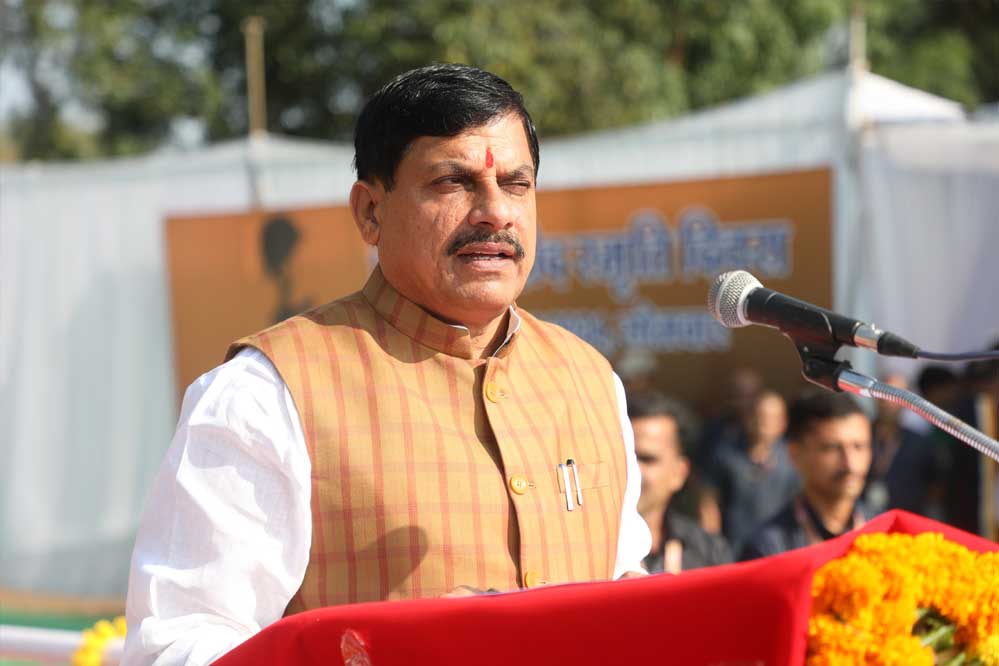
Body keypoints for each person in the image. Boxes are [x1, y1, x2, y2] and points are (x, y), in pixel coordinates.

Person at [123, 64, 651, 666]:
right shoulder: (266, 391)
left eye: (516, 184)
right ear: (371, 211)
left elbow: (622, 583)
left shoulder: (590, 380)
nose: (495, 212)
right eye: (453, 182)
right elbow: (177, 645)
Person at [740, 390, 872, 561]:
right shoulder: (769, 549)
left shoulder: (888, 533)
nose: (850, 464)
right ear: (795, 454)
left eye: (859, 446)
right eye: (831, 448)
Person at [628, 391, 733, 574]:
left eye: (647, 459)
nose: (633, 471)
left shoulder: (708, 553)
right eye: (625, 458)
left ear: (679, 473)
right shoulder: (585, 551)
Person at [702, 390, 799, 551]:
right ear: (747, 417)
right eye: (759, 415)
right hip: (732, 548)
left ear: (783, 423)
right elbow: (709, 502)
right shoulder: (725, 454)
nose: (764, 422)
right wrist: (712, 545)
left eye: (771, 417)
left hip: (778, 549)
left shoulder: (794, 459)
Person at [863, 373, 945, 519]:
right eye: (883, 393)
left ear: (906, 401)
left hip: (908, 521)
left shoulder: (920, 443)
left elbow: (935, 485)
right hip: (864, 519)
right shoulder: (859, 438)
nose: (887, 400)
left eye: (895, 396)